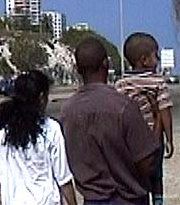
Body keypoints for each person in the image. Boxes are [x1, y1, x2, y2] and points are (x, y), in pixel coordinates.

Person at [61, 37, 161, 205]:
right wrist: (158, 122)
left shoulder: (67, 111)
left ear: (78, 69)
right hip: (128, 199)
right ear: (106, 64)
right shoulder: (124, 107)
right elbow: (146, 162)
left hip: (92, 199)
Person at [0, 70, 77, 205]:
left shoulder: (4, 133)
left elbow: (2, 179)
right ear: (42, 97)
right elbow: (64, 180)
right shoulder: (50, 129)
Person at [115, 32, 174, 205]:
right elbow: (164, 111)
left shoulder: (122, 84)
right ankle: (158, 201)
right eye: (155, 56)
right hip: (153, 140)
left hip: (131, 141)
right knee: (156, 177)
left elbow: (118, 111)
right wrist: (169, 139)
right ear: (144, 60)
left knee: (135, 176)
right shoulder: (158, 82)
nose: (158, 61)